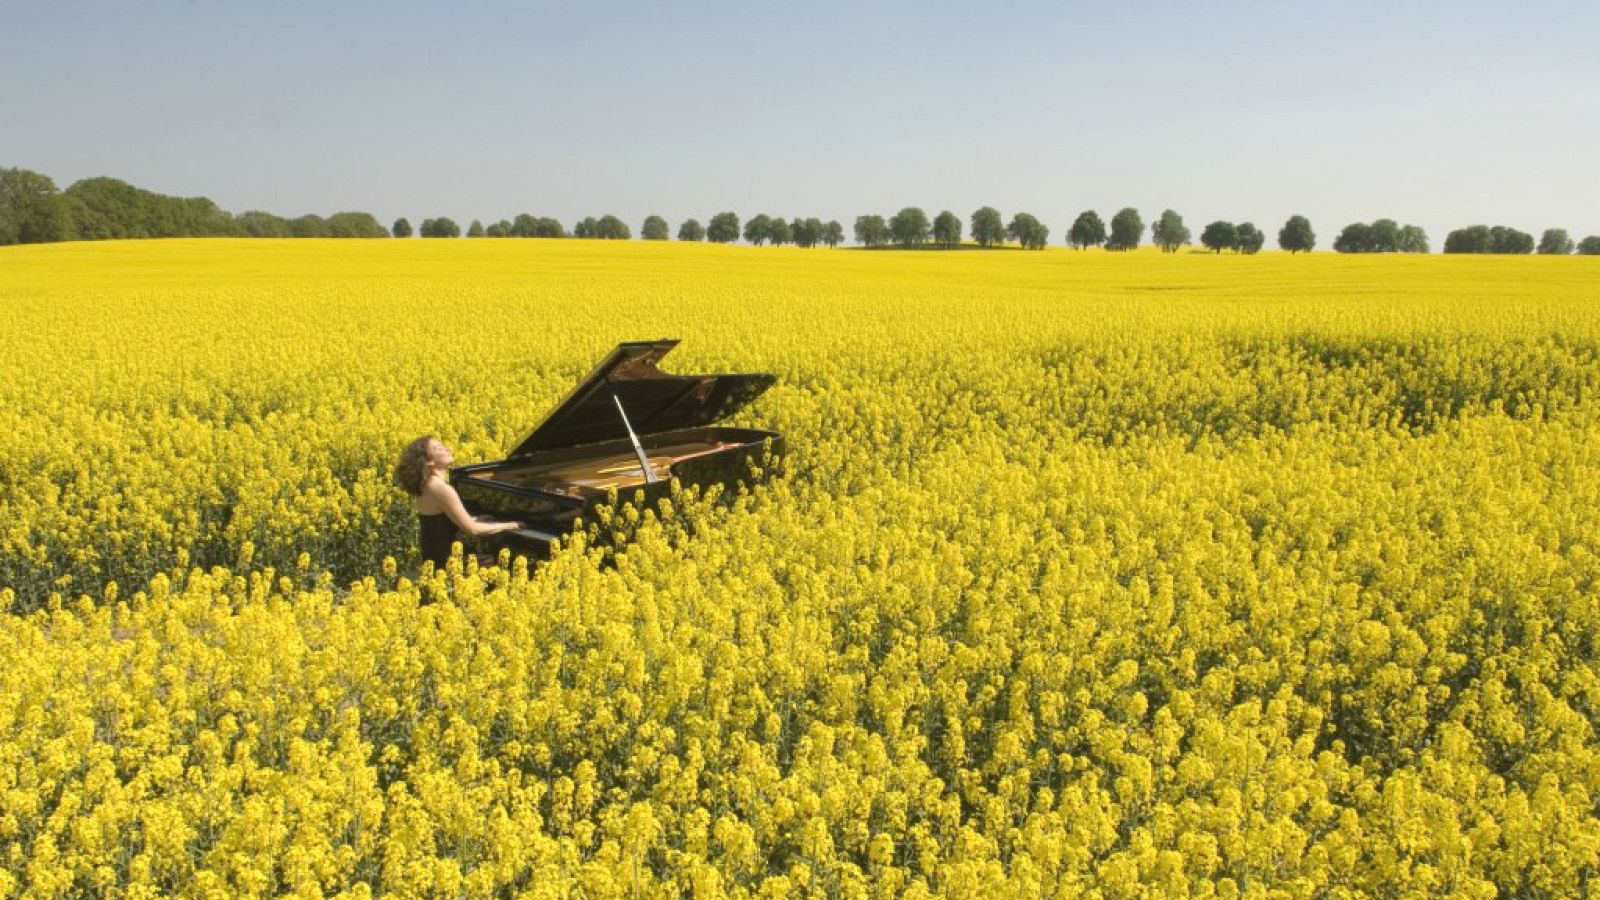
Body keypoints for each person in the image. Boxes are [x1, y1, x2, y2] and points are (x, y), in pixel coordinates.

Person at [393, 436, 523, 568]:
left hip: (434, 558)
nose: (447, 449)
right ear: (428, 461)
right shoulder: (441, 488)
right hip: (449, 563)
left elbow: (442, 521)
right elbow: (473, 529)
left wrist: (475, 518)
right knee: (501, 563)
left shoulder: (427, 484)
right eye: (439, 448)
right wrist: (510, 525)